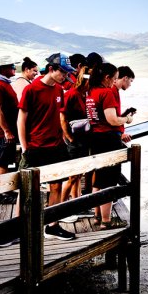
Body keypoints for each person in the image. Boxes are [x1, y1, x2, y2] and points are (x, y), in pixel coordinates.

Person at [15, 53, 77, 242]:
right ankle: (18, 229)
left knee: (56, 185)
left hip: (56, 146)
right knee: (25, 189)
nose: (65, 76)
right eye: (63, 72)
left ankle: (52, 226)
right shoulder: (31, 89)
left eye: (67, 73)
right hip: (35, 146)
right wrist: (25, 147)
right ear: (51, 69)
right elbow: (21, 120)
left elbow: (57, 116)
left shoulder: (59, 90)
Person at [86, 63, 133, 229]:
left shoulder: (91, 91)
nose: (114, 82)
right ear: (107, 77)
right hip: (108, 139)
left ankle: (98, 216)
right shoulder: (106, 92)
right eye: (113, 78)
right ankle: (107, 221)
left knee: (98, 179)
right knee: (109, 180)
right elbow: (112, 120)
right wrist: (126, 119)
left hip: (95, 137)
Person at [59, 63, 91, 206]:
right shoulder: (72, 94)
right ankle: (62, 206)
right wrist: (70, 138)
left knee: (78, 175)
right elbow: (62, 118)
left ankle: (76, 205)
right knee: (73, 176)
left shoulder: (86, 94)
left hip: (82, 139)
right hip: (73, 140)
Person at [0, 61, 19, 204]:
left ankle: (4, 191)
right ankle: (0, 193)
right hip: (1, 132)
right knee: (2, 161)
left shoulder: (5, 84)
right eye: (11, 66)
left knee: (5, 160)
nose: (14, 68)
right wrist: (6, 130)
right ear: (3, 68)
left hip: (7, 130)